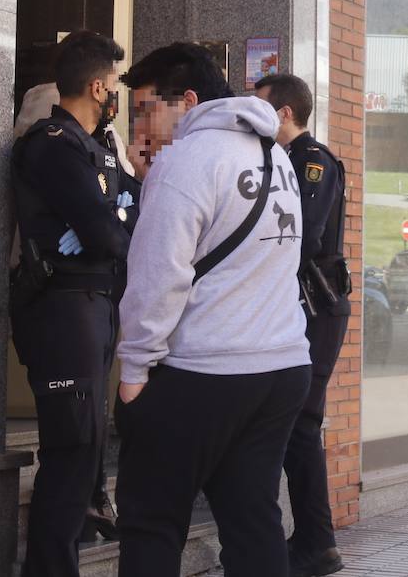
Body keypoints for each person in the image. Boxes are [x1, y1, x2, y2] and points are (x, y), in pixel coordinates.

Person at [115, 43, 312, 577]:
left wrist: (134, 368)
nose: (144, 125)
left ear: (189, 101)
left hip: (205, 369)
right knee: (253, 521)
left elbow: (159, 276)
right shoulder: (279, 159)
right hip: (281, 364)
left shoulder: (186, 161)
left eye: (148, 108)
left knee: (152, 520)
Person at [10, 30, 141, 576]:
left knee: (86, 449)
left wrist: (113, 218)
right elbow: (109, 234)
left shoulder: (100, 147)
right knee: (70, 452)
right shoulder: (52, 144)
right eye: (114, 83)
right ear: (96, 85)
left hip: (96, 306)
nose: (118, 93)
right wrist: (111, 220)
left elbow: (134, 210)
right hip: (64, 311)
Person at [253, 73, 350, 577]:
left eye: (260, 106)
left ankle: (316, 542)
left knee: (301, 425)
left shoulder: (313, 162)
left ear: (284, 113)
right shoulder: (278, 161)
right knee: (295, 427)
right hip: (294, 307)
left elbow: (303, 235)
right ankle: (314, 540)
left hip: (317, 304)